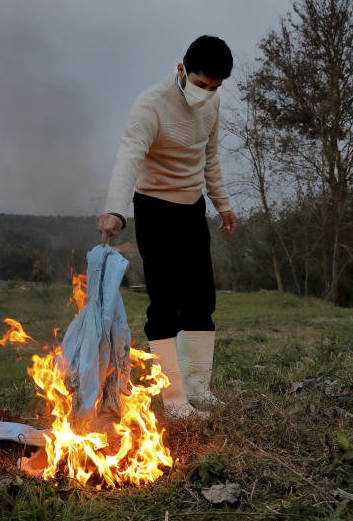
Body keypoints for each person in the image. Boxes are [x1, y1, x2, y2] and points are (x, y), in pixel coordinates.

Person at [95, 35, 236, 419]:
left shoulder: (212, 103)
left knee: (201, 301)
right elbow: (128, 158)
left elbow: (210, 159)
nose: (206, 94)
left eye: (215, 88)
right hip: (155, 210)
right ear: (181, 70)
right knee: (165, 306)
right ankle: (174, 401)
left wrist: (222, 204)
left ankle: (199, 390)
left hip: (193, 210)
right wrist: (115, 211)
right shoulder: (150, 106)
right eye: (201, 85)